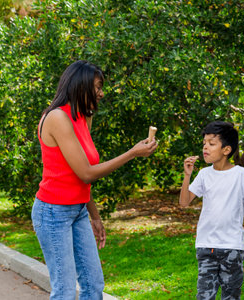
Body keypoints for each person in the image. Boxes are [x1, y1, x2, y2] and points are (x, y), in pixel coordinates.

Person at [31, 60, 157, 300]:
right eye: (98, 87)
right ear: (81, 85)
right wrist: (132, 153)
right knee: (65, 291)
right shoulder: (57, 117)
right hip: (52, 213)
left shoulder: (83, 117)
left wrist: (94, 216)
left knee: (93, 285)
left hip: (77, 210)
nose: (101, 93)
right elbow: (87, 172)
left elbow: (80, 180)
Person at [179, 121, 244, 300]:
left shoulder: (241, 175)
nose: (205, 147)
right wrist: (187, 175)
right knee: (204, 296)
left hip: (233, 247)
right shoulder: (204, 175)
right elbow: (184, 202)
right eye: (204, 143)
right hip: (206, 246)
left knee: (231, 296)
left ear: (226, 150)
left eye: (211, 144)